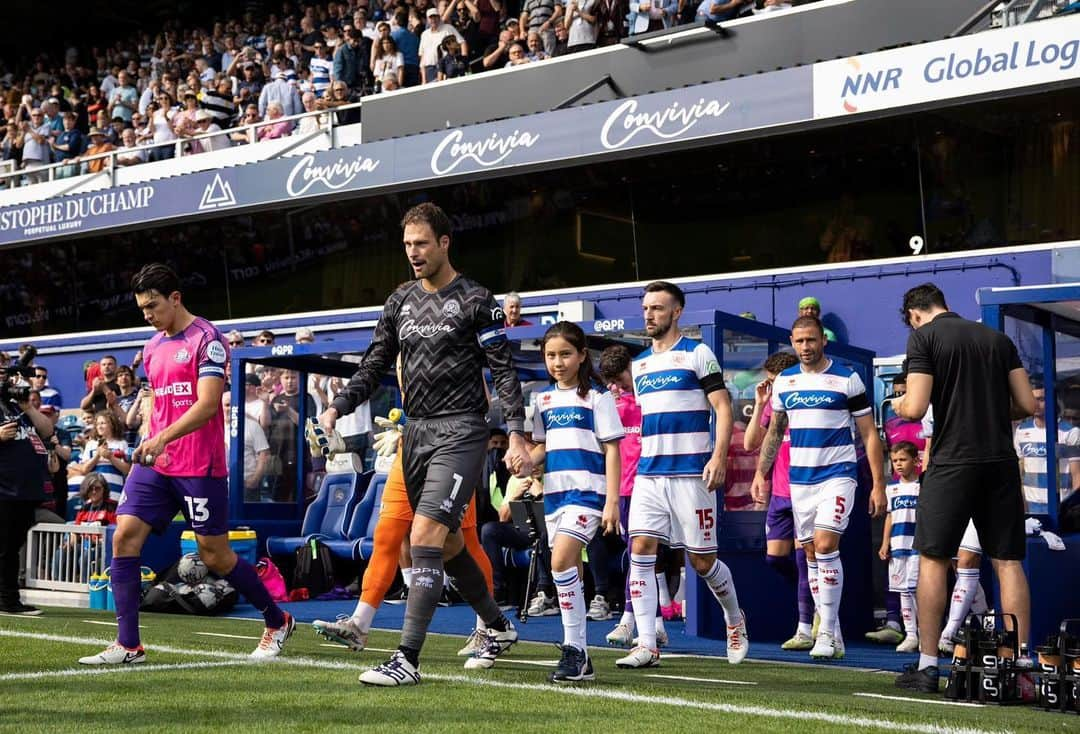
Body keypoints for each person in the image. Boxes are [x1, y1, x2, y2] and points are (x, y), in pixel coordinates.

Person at [318, 203, 532, 686]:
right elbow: (374, 364)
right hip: (414, 433)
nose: (413, 253)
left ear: (444, 243)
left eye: (421, 244)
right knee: (451, 543)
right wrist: (336, 406)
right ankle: (497, 627)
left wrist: (515, 430)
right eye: (407, 245)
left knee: (425, 539)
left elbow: (503, 369)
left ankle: (406, 659)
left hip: (461, 429)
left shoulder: (478, 300)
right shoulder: (399, 303)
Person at [79, 264, 294, 665]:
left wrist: (162, 437)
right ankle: (129, 645)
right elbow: (160, 401)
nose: (148, 314)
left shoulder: (208, 340)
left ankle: (276, 619)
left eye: (153, 306)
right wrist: (150, 438)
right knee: (123, 536)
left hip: (199, 465)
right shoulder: (153, 346)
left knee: (215, 555)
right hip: (157, 462)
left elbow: (208, 404)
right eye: (142, 307)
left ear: (175, 298)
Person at [891, 283, 1036, 693]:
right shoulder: (997, 338)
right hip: (1000, 462)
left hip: (952, 462)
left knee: (934, 559)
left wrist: (899, 403)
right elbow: (1027, 405)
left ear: (914, 314)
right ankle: (1020, 664)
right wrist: (989, 410)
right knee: (1007, 562)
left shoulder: (923, 337)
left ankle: (928, 665)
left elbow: (916, 407)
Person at [617, 281, 747, 669]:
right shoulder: (639, 364)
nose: (649, 314)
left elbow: (723, 407)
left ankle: (734, 618)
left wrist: (719, 456)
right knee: (639, 549)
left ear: (676, 312)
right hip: (649, 476)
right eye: (645, 308)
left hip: (692, 474)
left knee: (702, 562)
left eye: (657, 308)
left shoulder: (698, 353)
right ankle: (646, 643)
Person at [753, 315, 886, 661]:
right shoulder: (785, 382)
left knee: (826, 546)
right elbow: (774, 431)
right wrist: (760, 474)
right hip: (800, 481)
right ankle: (833, 630)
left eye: (811, 340)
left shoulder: (847, 378)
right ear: (792, 342)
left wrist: (878, 485)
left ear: (823, 341)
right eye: (799, 341)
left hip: (838, 476)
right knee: (811, 553)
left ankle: (826, 630)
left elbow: (869, 434)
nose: (805, 347)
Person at [525, 322, 622, 682]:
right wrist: (526, 460)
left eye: (565, 354)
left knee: (560, 560)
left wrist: (612, 500)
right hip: (554, 496)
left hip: (588, 494)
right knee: (570, 570)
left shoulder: (598, 397)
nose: (558, 362)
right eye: (551, 355)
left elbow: (613, 448)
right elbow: (542, 446)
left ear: (582, 356)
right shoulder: (543, 399)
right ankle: (580, 654)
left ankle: (575, 650)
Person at [744, 351, 816, 651]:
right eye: (769, 383)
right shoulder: (772, 407)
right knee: (775, 557)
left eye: (774, 383)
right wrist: (761, 402)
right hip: (780, 495)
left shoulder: (806, 404)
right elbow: (751, 443)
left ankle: (805, 627)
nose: (771, 387)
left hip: (805, 489)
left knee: (804, 557)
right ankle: (815, 596)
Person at [0, 374, 53, 615]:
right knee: (6, 548)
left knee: (12, 547)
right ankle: (7, 600)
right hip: (4, 489)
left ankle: (9, 598)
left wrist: (28, 407)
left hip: (24, 490)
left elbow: (46, 429)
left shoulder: (15, 406)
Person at [879, 442, 921, 653]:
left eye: (902, 460)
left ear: (916, 460)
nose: (898, 465)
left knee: (916, 589)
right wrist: (885, 542)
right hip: (898, 545)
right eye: (895, 461)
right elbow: (890, 516)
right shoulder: (891, 489)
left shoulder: (923, 486)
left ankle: (924, 633)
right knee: (902, 590)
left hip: (918, 546)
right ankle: (911, 634)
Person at [1014, 381, 1080, 514]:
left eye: (1041, 399)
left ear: (1051, 400)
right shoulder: (1021, 431)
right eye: (1032, 399)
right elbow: (1020, 471)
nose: (1035, 404)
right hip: (1031, 509)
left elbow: (1077, 475)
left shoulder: (1070, 432)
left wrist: (1072, 508)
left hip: (1060, 508)